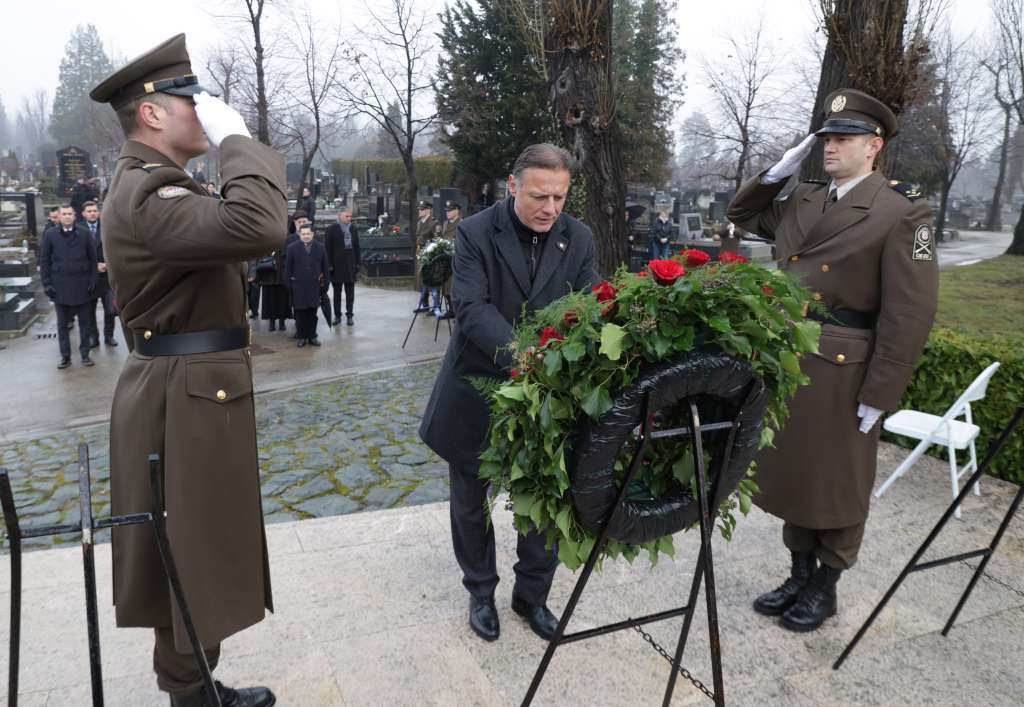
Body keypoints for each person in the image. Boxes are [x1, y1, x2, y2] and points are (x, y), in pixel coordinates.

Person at [89, 33, 285, 706]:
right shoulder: (148, 195)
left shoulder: (157, 186)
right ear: (151, 112)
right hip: (183, 400)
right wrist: (239, 144)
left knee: (194, 551)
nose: (203, 111)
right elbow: (261, 223)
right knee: (190, 554)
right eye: (191, 99)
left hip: (192, 394)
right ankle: (193, 698)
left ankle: (197, 685)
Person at [727, 89, 938, 632]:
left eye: (842, 138)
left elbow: (909, 311)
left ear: (875, 146)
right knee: (797, 473)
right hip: (792, 356)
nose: (829, 147)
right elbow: (742, 213)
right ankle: (798, 573)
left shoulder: (902, 213)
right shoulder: (805, 200)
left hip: (847, 367)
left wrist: (882, 391)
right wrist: (778, 170)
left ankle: (827, 584)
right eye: (825, 138)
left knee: (838, 480)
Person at [419, 143, 599, 643]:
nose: (551, 209)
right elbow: (472, 309)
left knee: (542, 499)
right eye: (540, 196)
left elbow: (588, 305)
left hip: (547, 396)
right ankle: (480, 591)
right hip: (477, 387)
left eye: (560, 197)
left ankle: (532, 595)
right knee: (470, 501)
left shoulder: (578, 237)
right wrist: (527, 356)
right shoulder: (476, 232)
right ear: (513, 185)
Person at [39, 205, 98, 368]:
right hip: (60, 287)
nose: (66, 216)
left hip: (82, 286)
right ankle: (65, 356)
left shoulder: (85, 233)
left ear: (75, 216)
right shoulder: (50, 235)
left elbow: (93, 259)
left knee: (85, 324)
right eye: (63, 214)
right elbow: (44, 261)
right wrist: (47, 283)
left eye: (69, 214)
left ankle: (85, 355)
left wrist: (93, 280)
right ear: (59, 216)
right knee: (62, 325)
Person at [79, 200, 118, 347]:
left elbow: (116, 248)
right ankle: (93, 338)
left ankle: (109, 336)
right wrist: (94, 266)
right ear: (83, 214)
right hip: (89, 277)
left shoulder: (108, 227)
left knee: (110, 309)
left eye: (94, 210)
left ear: (99, 212)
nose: (92, 213)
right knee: (89, 310)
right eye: (89, 211)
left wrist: (109, 263)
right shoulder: (79, 229)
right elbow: (77, 254)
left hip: (107, 276)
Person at [285, 222, 329, 346]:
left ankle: (312, 336)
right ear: (299, 234)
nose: (306, 236)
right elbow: (288, 269)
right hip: (298, 286)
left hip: (314, 286)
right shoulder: (292, 248)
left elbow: (325, 268)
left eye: (308, 233)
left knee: (312, 313)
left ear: (313, 234)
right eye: (303, 234)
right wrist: (289, 285)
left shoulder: (320, 247)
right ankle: (302, 336)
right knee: (300, 314)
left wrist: (325, 285)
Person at [324, 209, 361, 326]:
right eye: (347, 216)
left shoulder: (353, 228)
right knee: (337, 293)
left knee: (350, 293)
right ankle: (337, 316)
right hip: (336, 266)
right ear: (339, 216)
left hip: (350, 265)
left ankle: (350, 315)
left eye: (350, 216)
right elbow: (327, 248)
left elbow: (357, 247)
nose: (349, 218)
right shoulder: (332, 229)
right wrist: (329, 265)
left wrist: (358, 263)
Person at [436, 200, 461, 319]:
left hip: (455, 259)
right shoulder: (445, 224)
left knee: (453, 286)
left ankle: (458, 312)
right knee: (445, 286)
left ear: (457, 211)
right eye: (446, 211)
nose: (447, 213)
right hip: (445, 259)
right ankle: (450, 309)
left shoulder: (461, 224)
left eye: (450, 211)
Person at [414, 199, 438, 313]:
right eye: (419, 209)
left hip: (430, 254)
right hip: (421, 253)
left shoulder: (433, 222)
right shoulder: (419, 222)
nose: (420, 211)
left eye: (422, 209)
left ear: (428, 210)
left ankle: (435, 307)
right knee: (421, 280)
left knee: (431, 280)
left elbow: (436, 238)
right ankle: (424, 305)